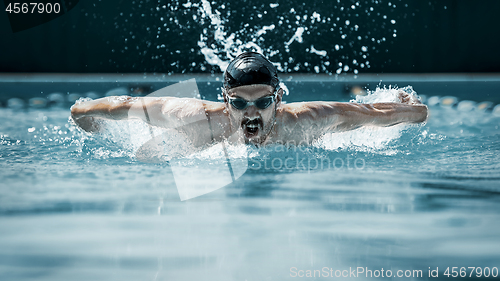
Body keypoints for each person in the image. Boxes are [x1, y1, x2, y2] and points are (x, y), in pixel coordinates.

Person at [71, 52, 427, 148]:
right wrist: (91, 125)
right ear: (225, 102)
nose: (251, 113)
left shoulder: (308, 120)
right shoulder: (190, 116)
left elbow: (371, 113)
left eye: (262, 102)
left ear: (279, 99)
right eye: (240, 104)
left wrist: (410, 109)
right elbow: (105, 107)